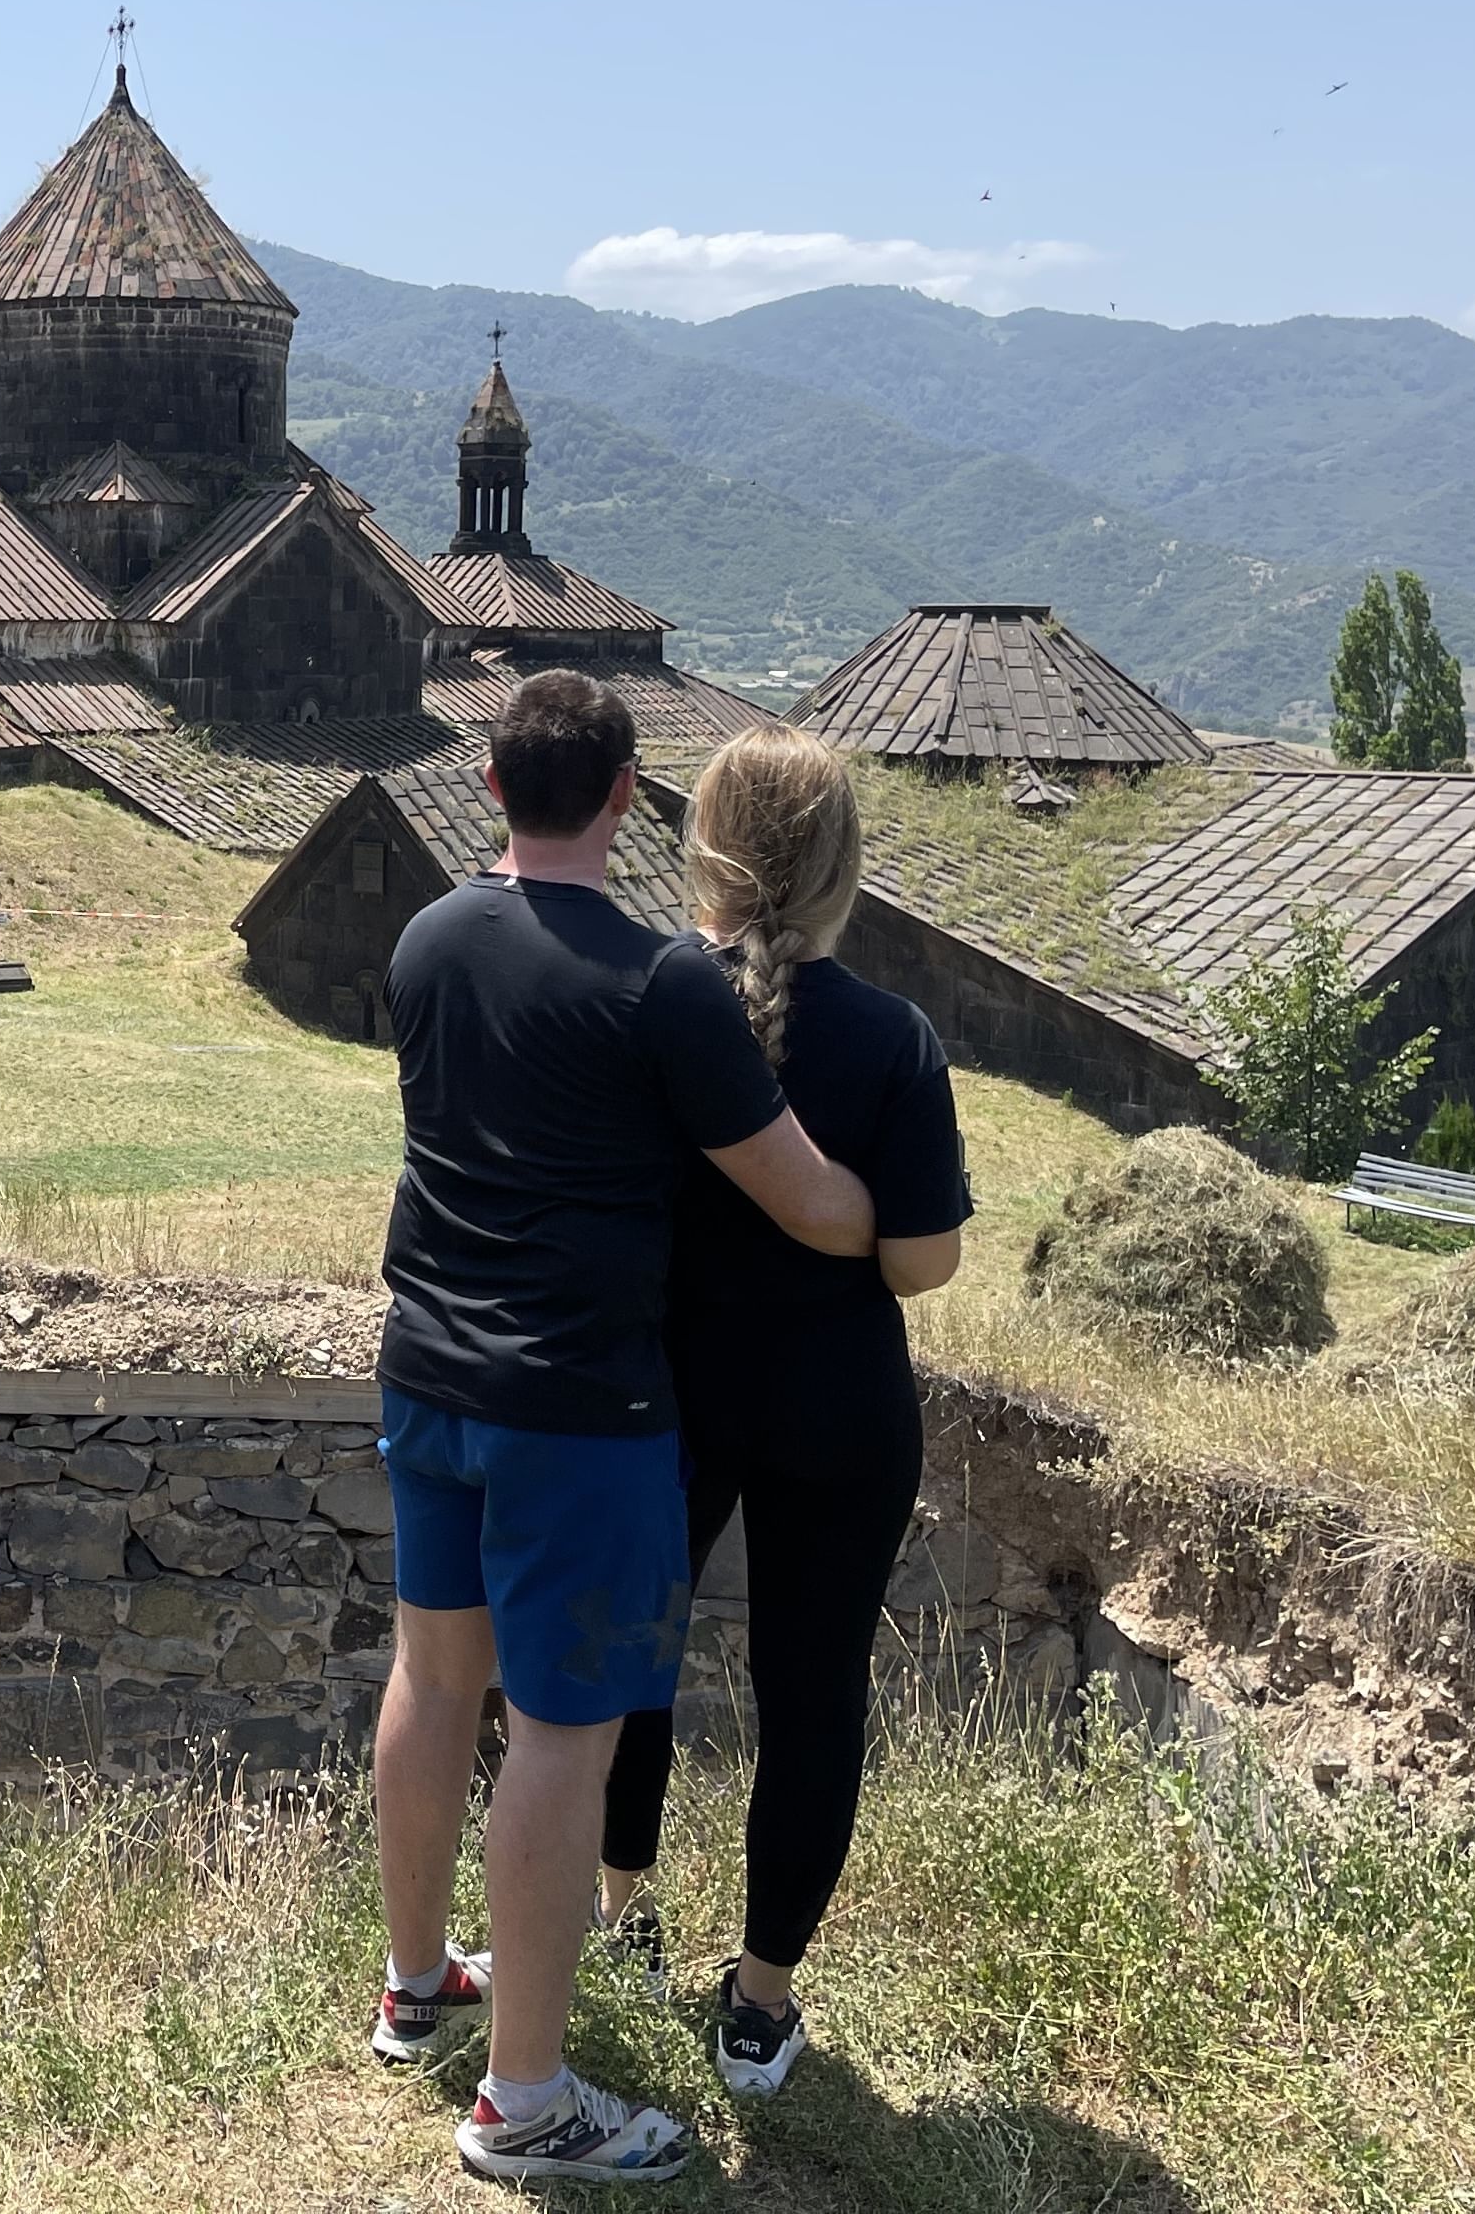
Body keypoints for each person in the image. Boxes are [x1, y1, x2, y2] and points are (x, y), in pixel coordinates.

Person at [366, 672, 881, 2189]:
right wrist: (892, 1221)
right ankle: (526, 2102)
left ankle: (416, 1987)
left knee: (432, 1680)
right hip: (578, 1407)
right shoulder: (665, 986)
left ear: (489, 790)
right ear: (621, 799)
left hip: (427, 1372)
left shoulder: (425, 936)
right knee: (564, 1740)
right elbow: (800, 1194)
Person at [597, 726, 970, 2100]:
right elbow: (925, 1262)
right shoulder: (893, 1041)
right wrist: (852, 1214)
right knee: (813, 1695)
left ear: (701, 847)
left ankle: (617, 1920)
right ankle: (758, 2007)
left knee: (632, 1655)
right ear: (842, 869)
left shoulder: (647, 997)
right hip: (838, 1403)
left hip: (663, 1386)